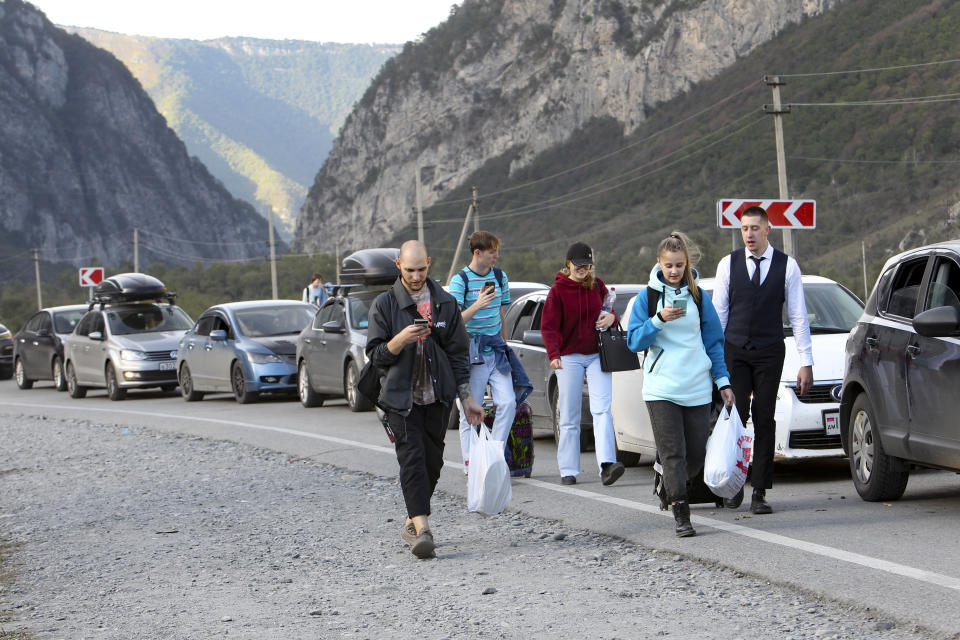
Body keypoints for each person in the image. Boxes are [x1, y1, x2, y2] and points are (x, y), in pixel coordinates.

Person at [365, 240, 484, 559]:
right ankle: (424, 530)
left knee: (433, 463)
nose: (416, 276)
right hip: (400, 400)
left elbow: (458, 355)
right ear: (398, 265)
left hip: (437, 398)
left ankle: (411, 521)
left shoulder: (445, 303)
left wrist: (466, 398)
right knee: (412, 461)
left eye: (421, 269)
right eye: (409, 270)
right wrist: (399, 340)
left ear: (429, 263)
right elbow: (375, 357)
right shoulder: (385, 305)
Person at [626, 232, 735, 537]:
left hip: (697, 387)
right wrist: (658, 320)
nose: (673, 271)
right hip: (661, 389)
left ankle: (668, 482)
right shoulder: (647, 299)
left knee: (696, 454)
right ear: (659, 264)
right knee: (673, 452)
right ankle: (681, 512)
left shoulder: (699, 298)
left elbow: (714, 343)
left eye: (678, 265)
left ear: (686, 264)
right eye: (668, 266)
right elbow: (634, 340)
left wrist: (723, 381)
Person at [712, 205, 813, 515]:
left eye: (755, 228)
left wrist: (805, 361)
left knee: (765, 417)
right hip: (736, 350)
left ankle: (760, 491)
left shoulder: (788, 266)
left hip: (770, 350)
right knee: (736, 416)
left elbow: (797, 315)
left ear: (767, 229)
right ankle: (734, 485)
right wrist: (714, 360)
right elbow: (719, 315)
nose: (749, 234)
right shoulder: (728, 265)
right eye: (744, 229)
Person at [540, 241, 623, 487]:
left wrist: (612, 317)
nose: (583, 269)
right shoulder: (557, 291)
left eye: (587, 265)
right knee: (569, 413)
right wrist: (553, 354)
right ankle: (568, 469)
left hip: (597, 354)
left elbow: (609, 311)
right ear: (568, 264)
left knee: (602, 410)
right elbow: (549, 326)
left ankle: (607, 464)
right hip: (568, 356)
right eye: (579, 265)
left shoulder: (597, 286)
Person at [448, 231, 526, 471]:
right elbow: (454, 321)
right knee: (469, 409)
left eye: (497, 251)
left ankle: (493, 456)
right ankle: (471, 463)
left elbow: (501, 313)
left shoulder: (500, 277)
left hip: (496, 350)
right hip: (472, 352)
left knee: (509, 402)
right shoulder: (461, 280)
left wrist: (505, 344)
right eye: (492, 252)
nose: (496, 256)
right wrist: (478, 304)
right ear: (478, 253)